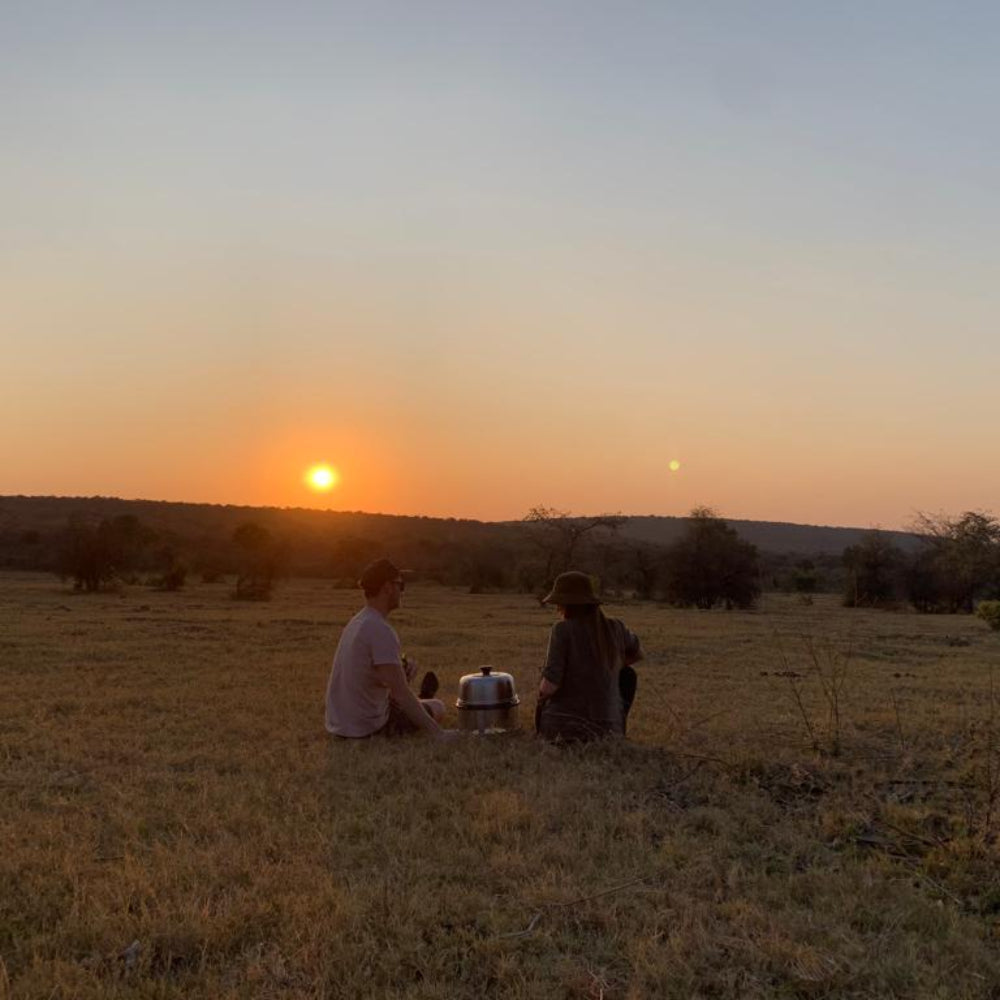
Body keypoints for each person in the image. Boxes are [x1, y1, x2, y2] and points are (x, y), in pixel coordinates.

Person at [324, 558, 454, 740]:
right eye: (400, 585)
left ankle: (422, 699)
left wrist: (400, 672)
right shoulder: (380, 629)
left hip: (341, 726)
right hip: (367, 728)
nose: (402, 591)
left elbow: (369, 677)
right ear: (387, 587)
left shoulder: (357, 622)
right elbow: (400, 693)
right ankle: (424, 698)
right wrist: (438, 734)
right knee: (438, 706)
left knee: (412, 701)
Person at [535, 571, 644, 742]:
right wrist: (609, 667)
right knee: (628, 675)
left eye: (559, 603)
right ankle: (617, 725)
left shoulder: (562, 630)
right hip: (609, 732)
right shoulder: (616, 627)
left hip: (564, 732)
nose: (557, 608)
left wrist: (541, 688)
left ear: (567, 604)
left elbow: (549, 687)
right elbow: (637, 654)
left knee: (543, 692)